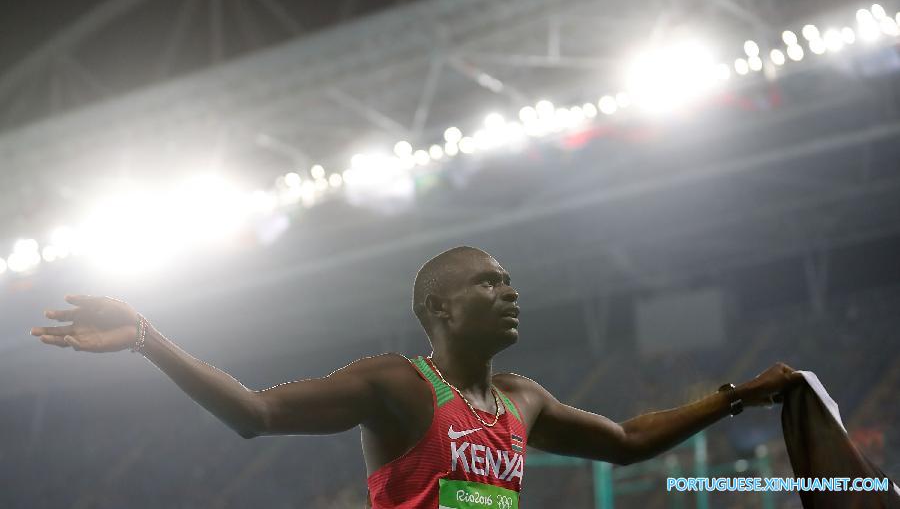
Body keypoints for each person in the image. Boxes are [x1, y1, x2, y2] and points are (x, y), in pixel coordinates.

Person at [30, 246, 802, 508]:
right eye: (490, 283)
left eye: (511, 282)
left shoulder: (522, 400)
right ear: (439, 306)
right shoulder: (397, 386)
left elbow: (629, 441)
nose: (512, 292)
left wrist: (737, 397)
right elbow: (255, 415)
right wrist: (147, 338)